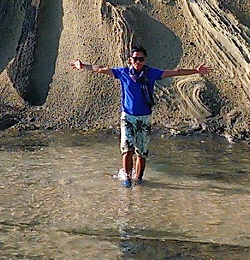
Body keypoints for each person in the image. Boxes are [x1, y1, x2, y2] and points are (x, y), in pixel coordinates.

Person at [71, 46, 212, 187]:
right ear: (130, 60)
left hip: (144, 117)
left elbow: (175, 72)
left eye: (141, 59)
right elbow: (101, 69)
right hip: (127, 117)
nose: (138, 61)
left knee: (141, 153)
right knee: (127, 150)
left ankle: (138, 180)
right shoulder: (123, 72)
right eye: (135, 59)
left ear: (144, 60)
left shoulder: (150, 73)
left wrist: (196, 71)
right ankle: (126, 179)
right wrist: (83, 66)